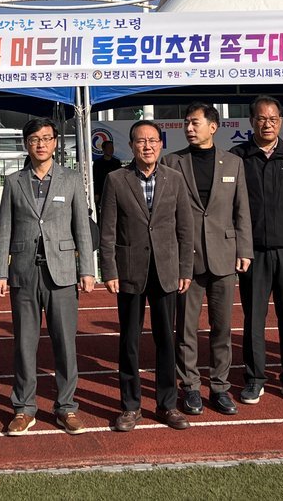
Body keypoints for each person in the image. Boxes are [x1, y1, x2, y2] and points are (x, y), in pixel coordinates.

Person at [0, 118, 95, 436]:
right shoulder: (13, 181)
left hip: (62, 273)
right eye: (35, 139)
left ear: (55, 143)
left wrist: (87, 269)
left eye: (47, 138)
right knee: (24, 344)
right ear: (26, 144)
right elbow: (5, 228)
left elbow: (82, 227)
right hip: (24, 273)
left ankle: (66, 406)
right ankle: (24, 408)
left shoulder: (71, 179)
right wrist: (0, 272)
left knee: (65, 344)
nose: (41, 144)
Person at [99, 120, 193, 432]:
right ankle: (130, 406)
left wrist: (185, 269)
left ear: (161, 145)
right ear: (132, 145)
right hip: (130, 271)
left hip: (166, 271)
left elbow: (185, 229)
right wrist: (109, 270)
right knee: (129, 341)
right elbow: (108, 230)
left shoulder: (174, 179)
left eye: (153, 140)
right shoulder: (116, 179)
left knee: (166, 339)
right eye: (141, 141)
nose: (147, 146)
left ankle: (167, 404)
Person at [166, 102, 252, 416]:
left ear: (213, 126)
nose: (189, 128)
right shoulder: (172, 162)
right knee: (186, 328)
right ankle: (190, 386)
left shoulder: (233, 163)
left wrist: (245, 249)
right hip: (186, 259)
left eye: (195, 123)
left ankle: (219, 387)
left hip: (224, 256)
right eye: (186, 123)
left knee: (222, 328)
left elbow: (242, 210)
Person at [230, 96, 283, 405]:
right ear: (251, 121)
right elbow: (231, 206)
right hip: (252, 252)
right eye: (262, 118)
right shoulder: (238, 157)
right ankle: (254, 379)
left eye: (273, 119)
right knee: (254, 318)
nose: (267, 124)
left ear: (281, 121)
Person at [92, 140, 123, 208]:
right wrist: (96, 193)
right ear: (104, 149)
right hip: (101, 191)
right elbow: (95, 179)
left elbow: (120, 178)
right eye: (109, 148)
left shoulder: (116, 162)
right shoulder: (97, 163)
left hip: (115, 191)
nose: (111, 150)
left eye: (112, 148)